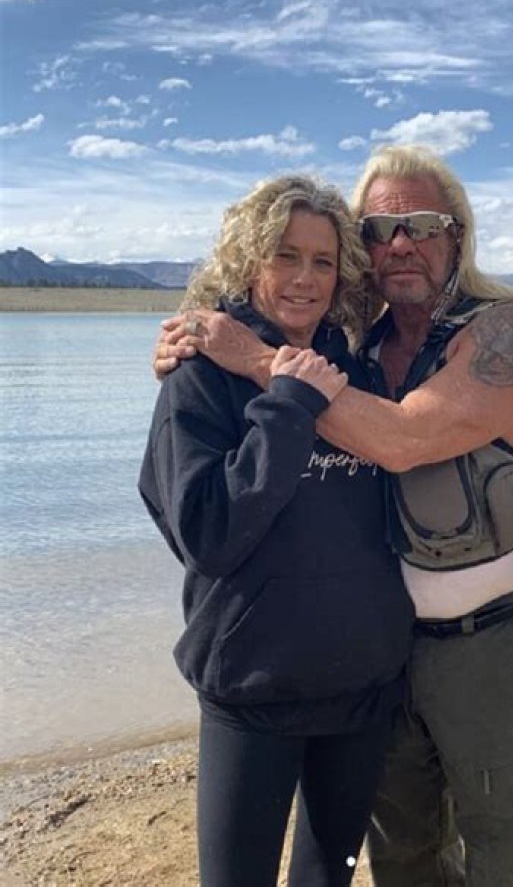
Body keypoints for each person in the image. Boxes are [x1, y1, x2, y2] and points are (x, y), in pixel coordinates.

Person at [154, 146, 513, 887]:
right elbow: (206, 508)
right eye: (380, 230)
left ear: (458, 234)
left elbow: (404, 438)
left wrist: (256, 358)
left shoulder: (508, 331)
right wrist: (198, 352)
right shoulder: (361, 351)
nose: (401, 244)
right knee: (405, 857)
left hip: (493, 646)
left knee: (512, 856)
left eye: (422, 224)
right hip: (384, 660)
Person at [139, 174, 416, 887]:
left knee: (330, 878)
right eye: (284, 256)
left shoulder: (352, 372)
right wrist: (288, 402)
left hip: (360, 686)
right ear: (247, 260)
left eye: (322, 261)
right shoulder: (201, 374)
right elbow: (206, 533)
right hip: (252, 687)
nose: (304, 278)